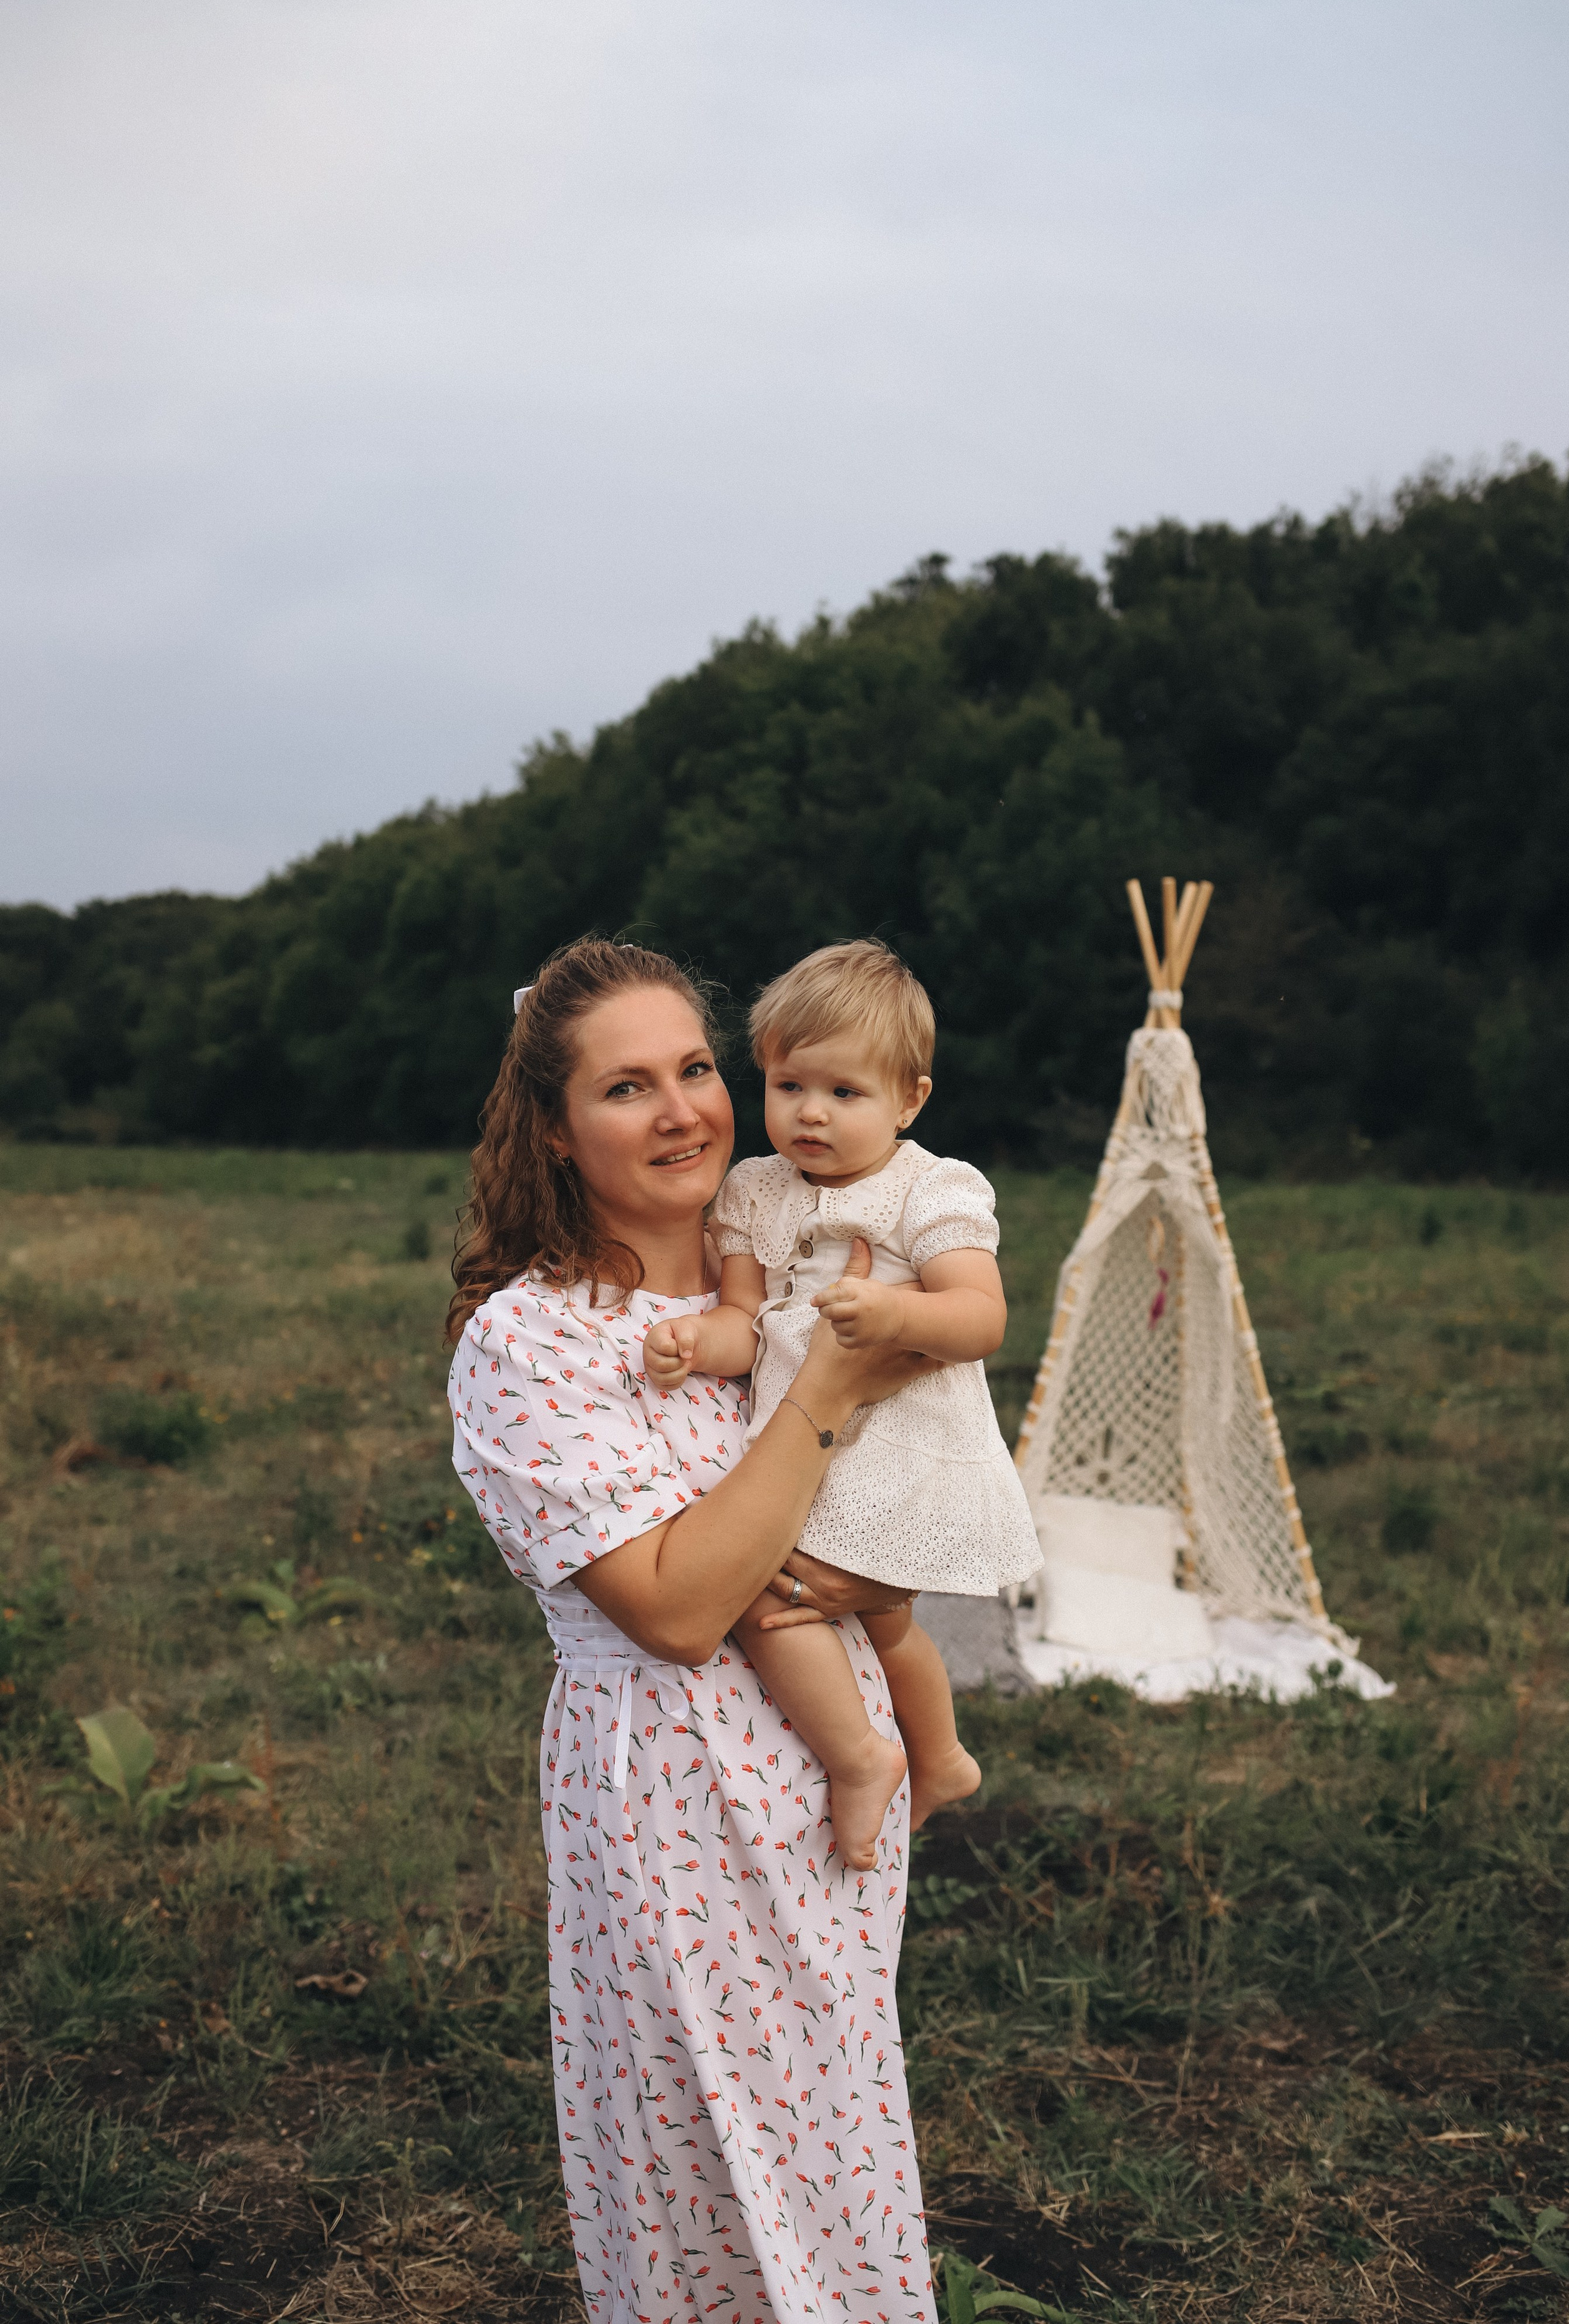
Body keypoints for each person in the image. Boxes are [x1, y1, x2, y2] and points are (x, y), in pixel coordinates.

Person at [446, 936, 940, 2324]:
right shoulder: (532, 1343)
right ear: (554, 1129)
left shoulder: (791, 1272)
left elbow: (910, 1491)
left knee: (836, 2140)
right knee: (702, 2162)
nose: (681, 1113)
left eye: (696, 1070)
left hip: (836, 1785)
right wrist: (830, 1388)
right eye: (626, 1088)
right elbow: (674, 1608)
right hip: (672, 1800)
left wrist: (884, 1589)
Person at [641, 941, 1041, 1871]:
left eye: (844, 1093)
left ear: (909, 1101)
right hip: (804, 1440)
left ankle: (864, 1757)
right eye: (789, 1086)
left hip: (897, 1445)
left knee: (767, 1598)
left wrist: (896, 1313)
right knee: (881, 1622)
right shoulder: (754, 1190)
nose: (810, 1112)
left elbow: (981, 1318)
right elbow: (746, 1322)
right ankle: (941, 1757)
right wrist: (696, 1342)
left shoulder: (928, 1189)